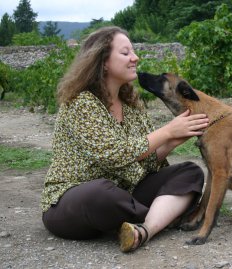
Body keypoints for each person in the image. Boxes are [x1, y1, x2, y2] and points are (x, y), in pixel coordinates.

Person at [40, 26, 209, 252]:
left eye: (133, 52)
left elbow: (145, 163)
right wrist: (167, 132)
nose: (135, 57)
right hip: (74, 201)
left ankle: (144, 230)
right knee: (101, 192)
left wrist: (172, 141)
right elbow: (114, 155)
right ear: (103, 61)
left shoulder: (131, 106)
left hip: (125, 193)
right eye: (125, 52)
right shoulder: (81, 103)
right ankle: (166, 213)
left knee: (190, 172)